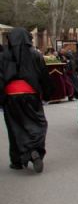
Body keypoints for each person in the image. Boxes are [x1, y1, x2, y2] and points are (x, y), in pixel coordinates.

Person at [0, 28, 53, 172]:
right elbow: (44, 77)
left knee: (15, 127)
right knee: (37, 124)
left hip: (10, 97)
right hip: (30, 95)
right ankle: (34, 150)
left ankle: (17, 161)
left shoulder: (3, 55)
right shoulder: (35, 55)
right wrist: (47, 95)